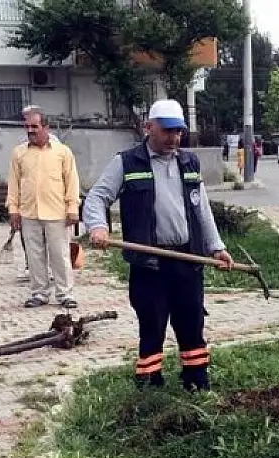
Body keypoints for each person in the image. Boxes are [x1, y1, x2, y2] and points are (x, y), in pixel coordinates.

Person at [83, 99, 234, 391]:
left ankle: (196, 379)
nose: (174, 138)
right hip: (149, 263)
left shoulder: (189, 162)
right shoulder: (126, 162)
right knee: (151, 324)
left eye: (179, 131)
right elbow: (97, 197)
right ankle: (150, 383)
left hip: (188, 261)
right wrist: (98, 227)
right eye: (167, 131)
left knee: (191, 322)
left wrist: (216, 246)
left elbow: (201, 208)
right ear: (148, 127)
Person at [6, 109, 81, 309]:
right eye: (27, 127)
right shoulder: (19, 153)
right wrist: (13, 209)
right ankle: (39, 293)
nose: (30, 131)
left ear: (45, 127)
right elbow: (14, 183)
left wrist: (73, 207)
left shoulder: (62, 151)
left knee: (60, 254)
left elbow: (72, 181)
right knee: (34, 254)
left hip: (57, 212)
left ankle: (65, 293)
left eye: (34, 127)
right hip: (29, 212)